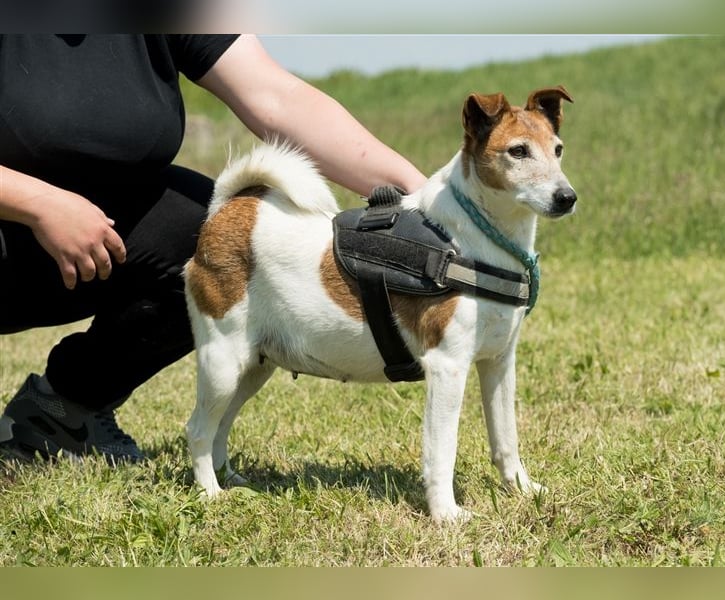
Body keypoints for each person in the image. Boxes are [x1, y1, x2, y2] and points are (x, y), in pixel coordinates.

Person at [0, 34, 427, 463]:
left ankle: (62, 408)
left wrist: (421, 197)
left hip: (102, 231)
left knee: (212, 236)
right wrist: (38, 205)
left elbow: (276, 96)